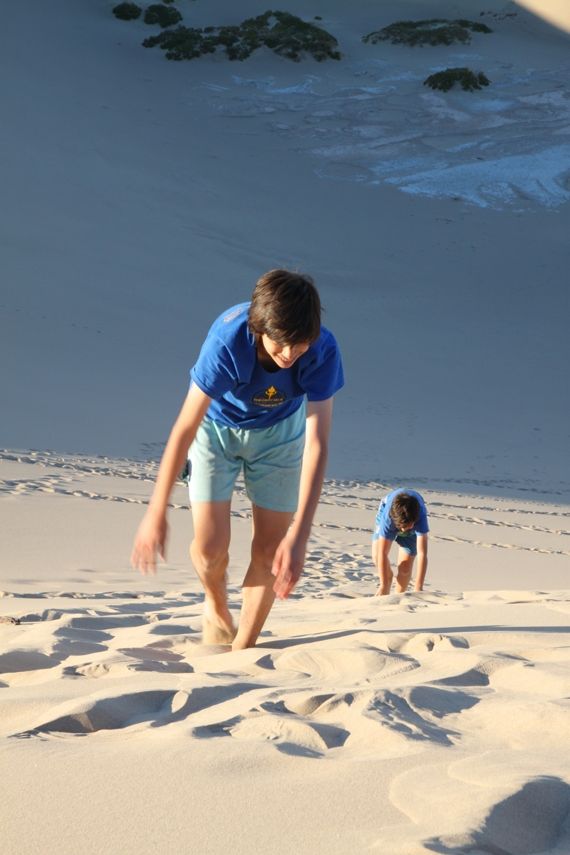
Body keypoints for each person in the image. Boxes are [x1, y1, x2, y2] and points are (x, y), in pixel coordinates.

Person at [131, 269, 344, 650]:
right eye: (281, 344)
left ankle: (242, 650)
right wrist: (155, 511)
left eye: (300, 345)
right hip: (216, 430)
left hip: (280, 434)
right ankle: (215, 602)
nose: (290, 354)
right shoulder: (227, 342)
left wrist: (299, 535)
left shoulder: (322, 349)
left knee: (271, 550)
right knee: (210, 548)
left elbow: (318, 443)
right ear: (259, 327)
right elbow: (185, 427)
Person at [371, 489, 429, 595]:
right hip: (391, 514)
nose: (402, 530)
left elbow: (422, 554)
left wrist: (419, 587)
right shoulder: (388, 519)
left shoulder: (420, 517)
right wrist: (383, 584)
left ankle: (399, 596)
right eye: (401, 527)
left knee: (405, 569)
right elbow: (382, 553)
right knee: (377, 558)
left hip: (411, 519)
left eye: (407, 526)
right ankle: (388, 579)